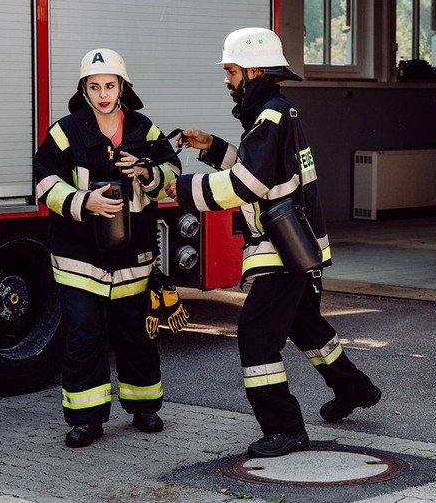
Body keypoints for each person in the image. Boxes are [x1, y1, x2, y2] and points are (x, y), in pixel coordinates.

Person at [165, 27, 381, 458]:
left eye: (230, 70)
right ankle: (356, 389)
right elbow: (264, 172)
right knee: (305, 325)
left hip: (281, 248)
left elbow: (249, 184)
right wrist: (212, 148)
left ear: (254, 70)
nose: (226, 80)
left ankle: (284, 428)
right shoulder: (275, 114)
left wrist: (185, 190)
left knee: (256, 334)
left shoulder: (270, 117)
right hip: (298, 244)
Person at [35, 48, 181, 447]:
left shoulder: (144, 129)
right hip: (78, 256)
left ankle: (145, 407)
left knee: (136, 332)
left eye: (110, 85)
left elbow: (172, 170)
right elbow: (45, 184)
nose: (103, 94)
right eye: (94, 86)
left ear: (123, 87)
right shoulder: (65, 132)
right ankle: (86, 420)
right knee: (84, 333)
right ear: (83, 89)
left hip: (132, 256)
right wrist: (87, 203)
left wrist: (148, 172)